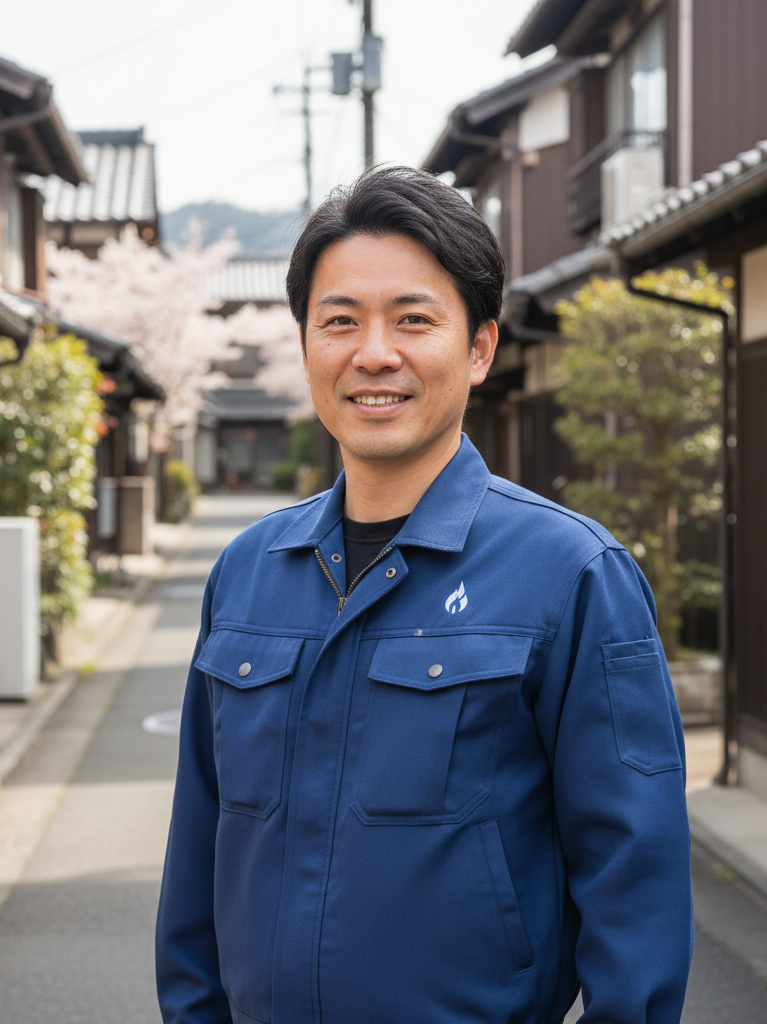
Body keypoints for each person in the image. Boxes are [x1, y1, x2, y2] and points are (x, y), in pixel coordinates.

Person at [155, 167, 693, 1024]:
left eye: (413, 320)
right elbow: (199, 853)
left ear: (479, 347)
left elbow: (636, 883)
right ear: (305, 348)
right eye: (339, 322)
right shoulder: (249, 572)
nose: (374, 354)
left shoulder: (572, 573)